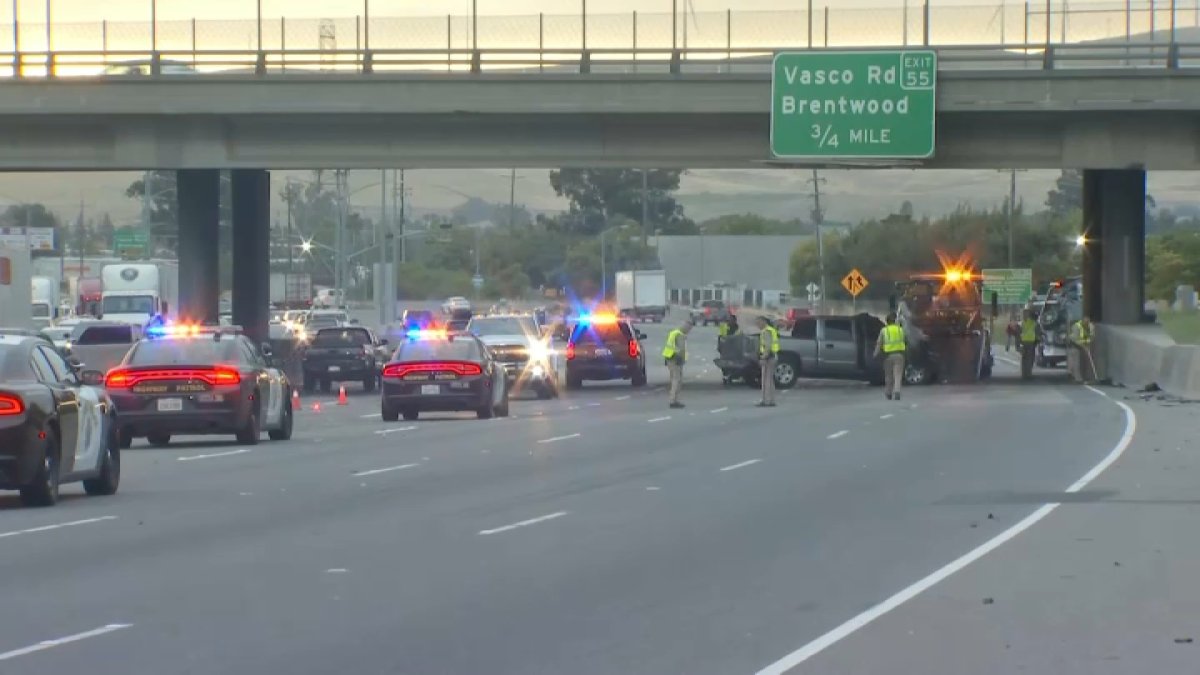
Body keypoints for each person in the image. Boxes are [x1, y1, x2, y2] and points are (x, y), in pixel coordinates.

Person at [873, 312, 907, 400]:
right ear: (895, 320)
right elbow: (905, 341)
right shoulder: (900, 330)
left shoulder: (884, 330)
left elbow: (879, 343)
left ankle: (888, 393)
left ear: (887, 321)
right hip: (899, 355)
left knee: (888, 375)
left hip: (887, 356)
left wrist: (875, 354)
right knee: (898, 375)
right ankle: (897, 391)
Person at [662, 319, 693, 408]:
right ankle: (673, 400)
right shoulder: (680, 335)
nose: (689, 330)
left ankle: (674, 399)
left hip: (669, 358)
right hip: (675, 359)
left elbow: (669, 346)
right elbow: (681, 349)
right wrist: (681, 359)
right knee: (677, 380)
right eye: (689, 328)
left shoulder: (674, 332)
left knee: (674, 379)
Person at [755, 315, 780, 407]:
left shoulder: (766, 331)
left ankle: (765, 401)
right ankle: (771, 400)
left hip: (769, 358)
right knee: (770, 380)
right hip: (772, 356)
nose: (757, 324)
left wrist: (763, 358)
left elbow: (768, 346)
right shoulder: (771, 330)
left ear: (763, 321)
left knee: (766, 380)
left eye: (758, 322)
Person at [1069, 314, 1095, 383]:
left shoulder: (1091, 326)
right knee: (1076, 363)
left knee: (1085, 362)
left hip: (1083, 346)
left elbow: (1091, 336)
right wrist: (1084, 346)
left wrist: (1088, 344)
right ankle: (1077, 378)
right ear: (1082, 321)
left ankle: (1087, 376)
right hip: (1074, 346)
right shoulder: (1076, 327)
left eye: (1088, 322)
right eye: (1085, 322)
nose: (1086, 323)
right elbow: (1076, 340)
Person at [1019, 309, 1040, 380]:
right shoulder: (1034, 323)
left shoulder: (1021, 323)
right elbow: (1037, 332)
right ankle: (1028, 373)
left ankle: (1024, 373)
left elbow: (1018, 333)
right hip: (1030, 342)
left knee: (1024, 358)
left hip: (1024, 342)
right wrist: (1038, 340)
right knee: (1029, 358)